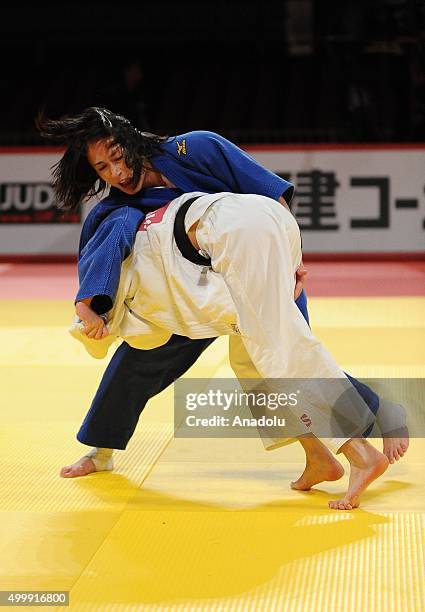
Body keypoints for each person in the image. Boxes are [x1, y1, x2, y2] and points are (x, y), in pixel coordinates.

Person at [35, 107, 408, 485]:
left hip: (256, 270)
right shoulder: (114, 209)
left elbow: (270, 197)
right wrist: (92, 309)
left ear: (132, 141)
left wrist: (291, 260)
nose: (115, 173)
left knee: (280, 361)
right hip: (188, 297)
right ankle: (101, 450)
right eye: (102, 168)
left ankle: (373, 419)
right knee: (133, 364)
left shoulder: (194, 149)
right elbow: (99, 266)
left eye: (117, 157)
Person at [72, 188, 390, 510]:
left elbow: (116, 263)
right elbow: (159, 330)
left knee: (278, 349)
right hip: (257, 226)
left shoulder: (112, 233)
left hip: (234, 232)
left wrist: (85, 308)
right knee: (252, 360)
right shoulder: (142, 267)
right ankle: (317, 457)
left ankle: (359, 453)